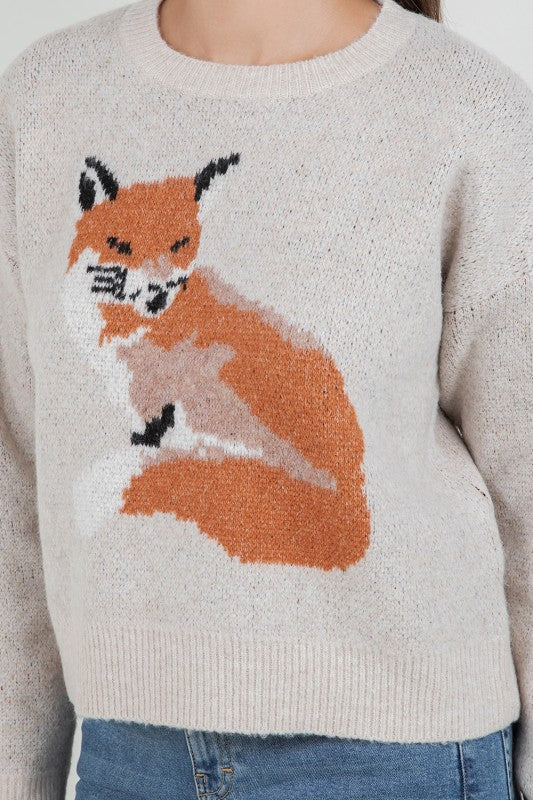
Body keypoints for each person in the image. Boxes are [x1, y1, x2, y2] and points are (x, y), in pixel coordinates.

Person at [0, 0, 531, 797]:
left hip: (398, 755)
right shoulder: (47, 96)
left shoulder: (466, 108)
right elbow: (16, 464)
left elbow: (524, 461)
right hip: (127, 756)